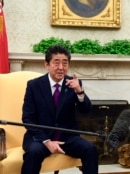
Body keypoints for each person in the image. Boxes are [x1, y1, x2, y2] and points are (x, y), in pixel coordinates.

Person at [21, 45, 98, 174]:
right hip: (40, 138)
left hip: (67, 138)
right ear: (47, 64)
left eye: (65, 63)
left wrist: (79, 92)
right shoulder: (34, 85)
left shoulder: (73, 83)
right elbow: (28, 118)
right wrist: (47, 141)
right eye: (56, 63)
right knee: (33, 153)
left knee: (90, 149)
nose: (61, 68)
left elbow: (86, 111)